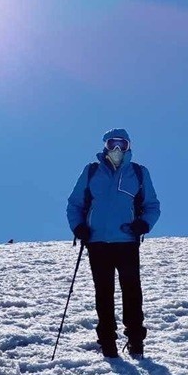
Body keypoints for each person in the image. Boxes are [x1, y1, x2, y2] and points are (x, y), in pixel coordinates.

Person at [66, 128, 161, 358]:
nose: (117, 149)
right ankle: (107, 342)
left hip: (127, 242)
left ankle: (136, 340)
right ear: (105, 146)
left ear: (129, 147)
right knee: (103, 293)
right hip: (97, 243)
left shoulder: (138, 173)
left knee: (131, 291)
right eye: (112, 144)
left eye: (122, 145)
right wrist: (78, 227)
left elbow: (152, 205)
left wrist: (143, 224)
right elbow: (75, 204)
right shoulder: (91, 172)